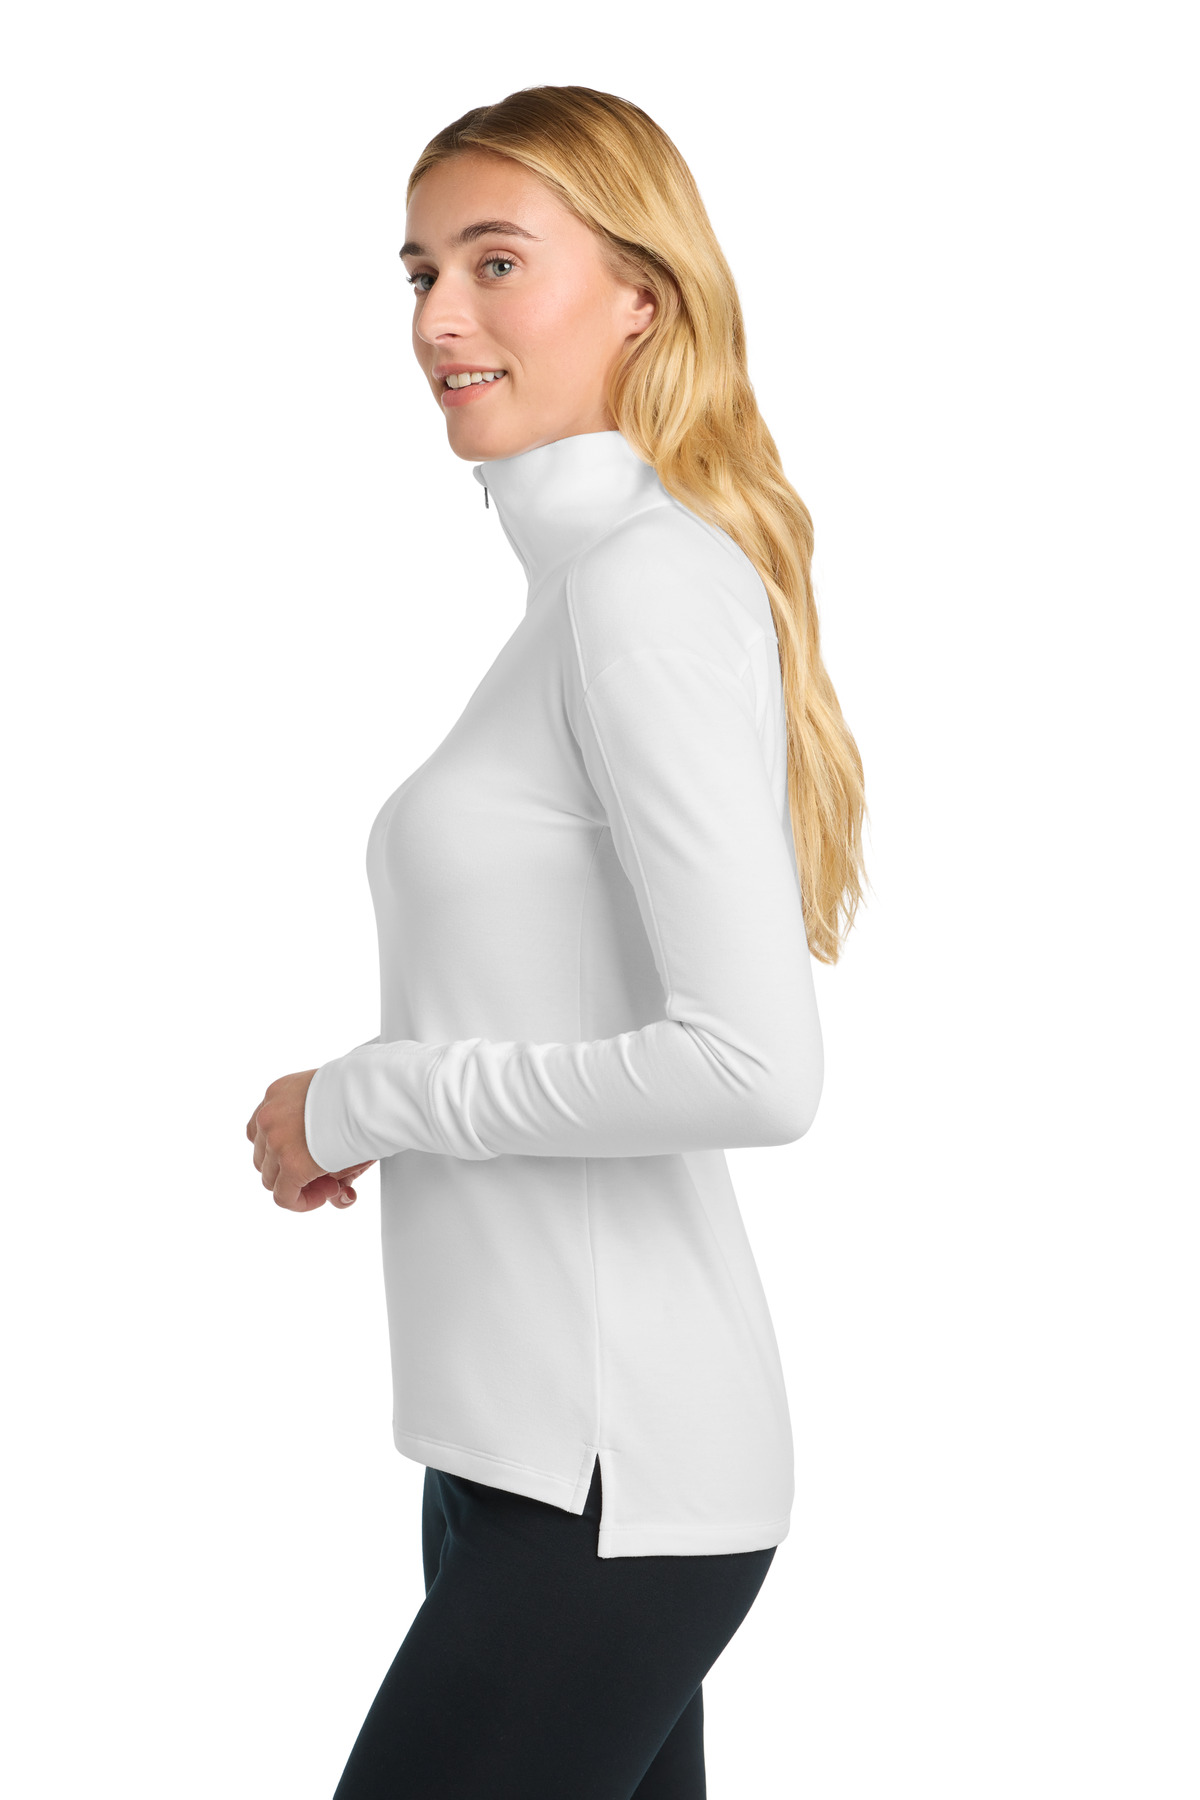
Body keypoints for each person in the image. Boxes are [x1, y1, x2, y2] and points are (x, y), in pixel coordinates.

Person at [246, 84, 866, 1800]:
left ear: (642, 295)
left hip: (612, 1478)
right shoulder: (584, 592)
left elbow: (755, 1070)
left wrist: (365, 1097)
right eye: (420, 272)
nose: (439, 318)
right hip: (517, 1458)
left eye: (496, 262)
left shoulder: (645, 590)